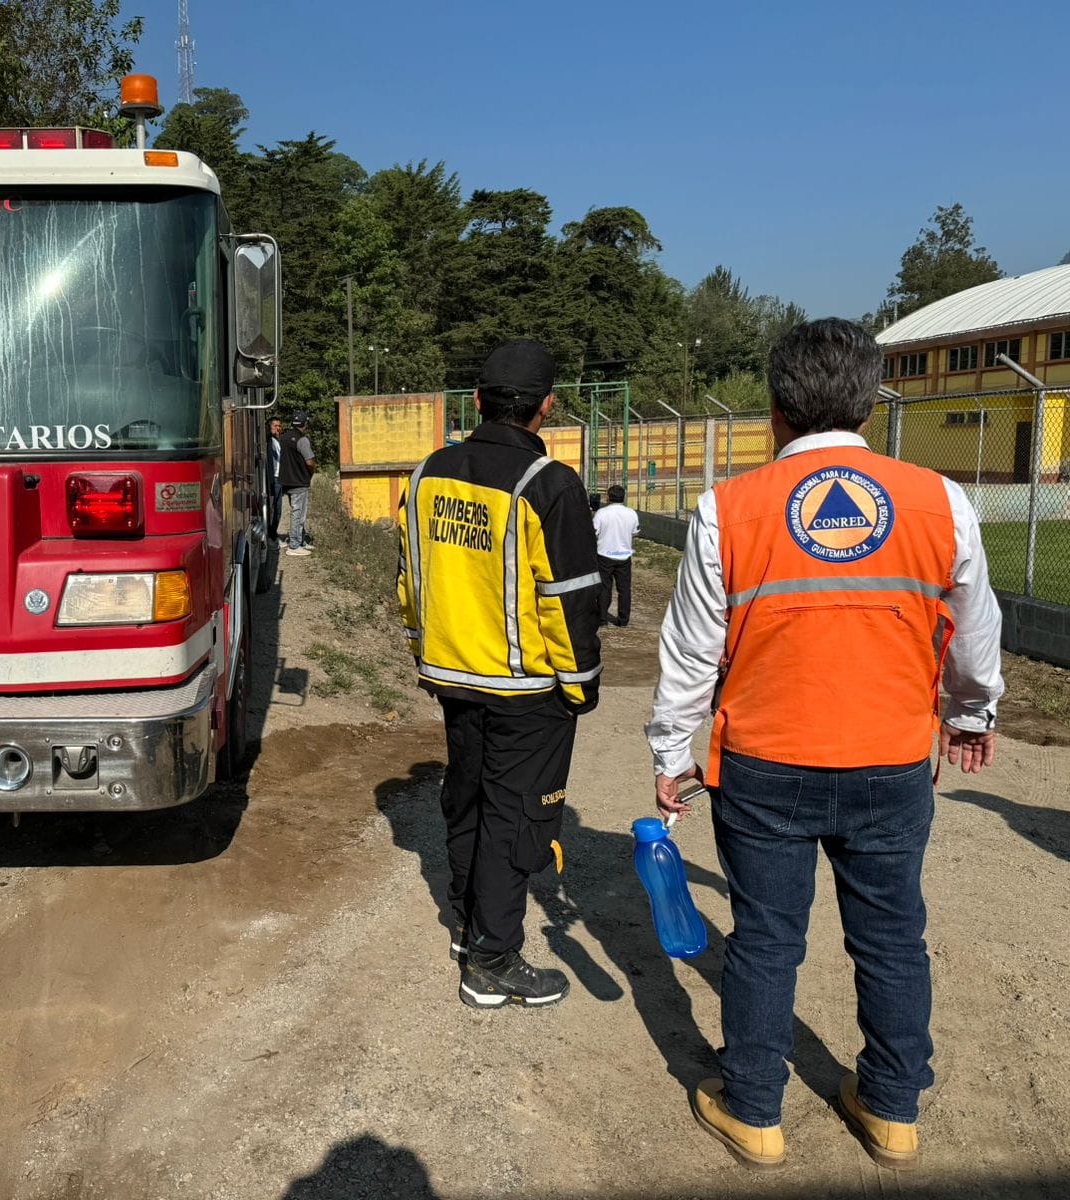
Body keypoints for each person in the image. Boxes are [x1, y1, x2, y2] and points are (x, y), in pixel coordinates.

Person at [645, 318, 1004, 1170]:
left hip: (765, 760)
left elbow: (693, 648)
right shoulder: (939, 499)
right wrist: (970, 713)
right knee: (890, 934)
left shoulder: (727, 507)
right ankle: (891, 1110)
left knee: (767, 936)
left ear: (774, 410)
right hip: (890, 757)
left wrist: (670, 753)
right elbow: (973, 628)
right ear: (871, 409)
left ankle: (756, 1110)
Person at [397, 338, 602, 1009]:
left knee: (469, 800)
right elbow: (570, 599)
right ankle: (491, 962)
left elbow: (410, 579)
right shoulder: (549, 485)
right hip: (523, 688)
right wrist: (580, 684)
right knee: (516, 819)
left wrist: (423, 645)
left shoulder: (428, 472)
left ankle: (470, 927)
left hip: (452, 673)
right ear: (546, 406)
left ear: (478, 401)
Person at [593, 483, 639, 626]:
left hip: (604, 554)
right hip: (624, 555)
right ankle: (623, 620)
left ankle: (602, 618)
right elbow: (635, 532)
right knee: (624, 589)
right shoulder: (631, 513)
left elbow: (593, 532)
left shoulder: (601, 513)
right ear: (623, 497)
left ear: (608, 497)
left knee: (605, 587)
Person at [280, 411, 316, 557]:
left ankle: (300, 540)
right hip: (299, 480)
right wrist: (310, 474)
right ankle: (294, 545)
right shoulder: (302, 440)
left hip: (286, 480)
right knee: (299, 514)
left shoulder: (283, 438)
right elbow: (310, 461)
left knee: (296, 511)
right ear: (305, 424)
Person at [267, 417, 285, 541]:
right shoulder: (268, 440)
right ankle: (270, 534)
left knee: (278, 508)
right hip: (272, 477)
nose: (277, 428)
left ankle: (274, 532)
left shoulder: (278, 441)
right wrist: (270, 432)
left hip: (280, 477)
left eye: (279, 426)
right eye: (275, 425)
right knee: (272, 507)